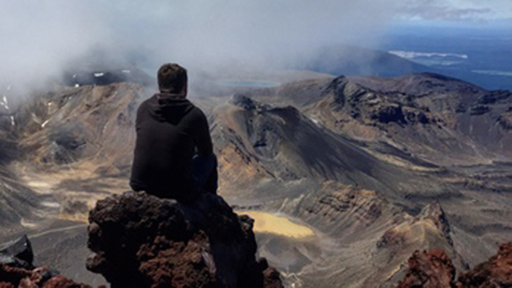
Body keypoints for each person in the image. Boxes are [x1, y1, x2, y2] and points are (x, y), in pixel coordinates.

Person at [130, 63, 217, 202]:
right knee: (210, 159)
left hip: (140, 185)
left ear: (159, 85)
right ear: (185, 87)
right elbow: (206, 153)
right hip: (176, 190)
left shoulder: (143, 108)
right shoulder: (194, 115)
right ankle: (207, 207)